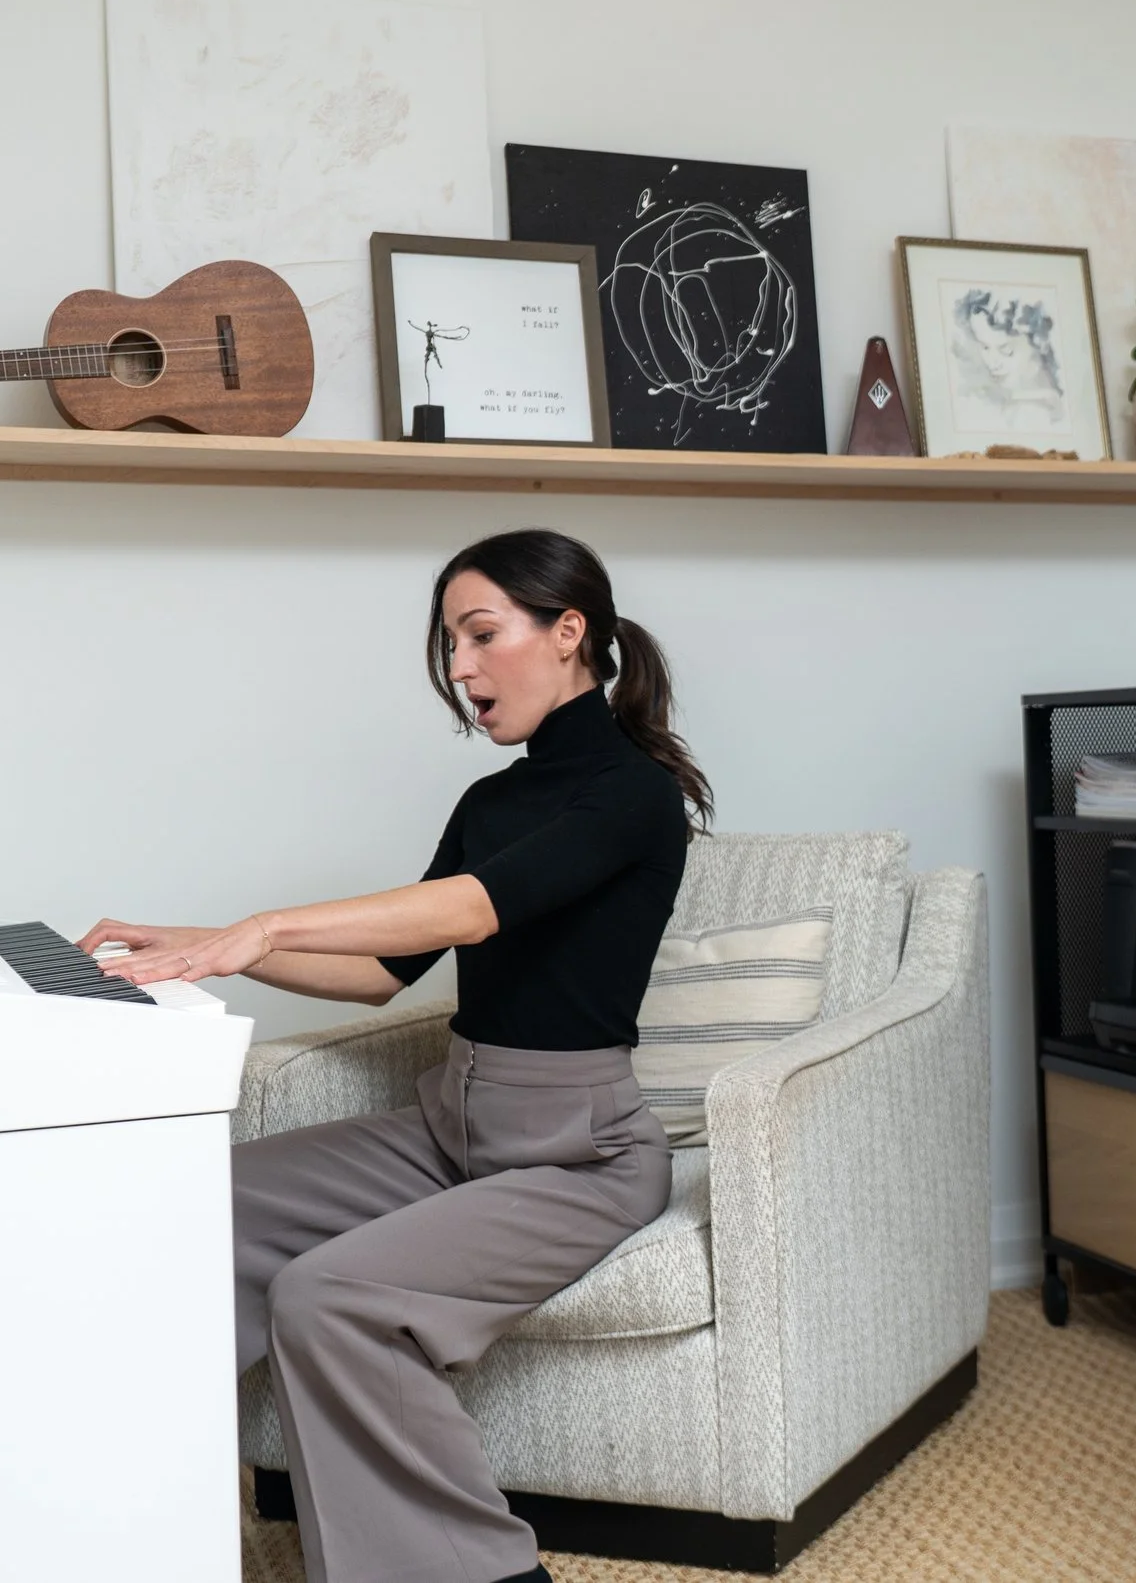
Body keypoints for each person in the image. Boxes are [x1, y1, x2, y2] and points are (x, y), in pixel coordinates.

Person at [81, 529, 711, 1583]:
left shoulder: (631, 792)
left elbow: (471, 909)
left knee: (334, 1297)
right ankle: (126, 1503)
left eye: (479, 635)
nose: (459, 670)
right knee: (188, 1202)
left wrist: (265, 925)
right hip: (451, 1124)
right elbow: (385, 967)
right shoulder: (490, 801)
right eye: (449, 644)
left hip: (579, 1155)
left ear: (569, 633)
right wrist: (193, 945)